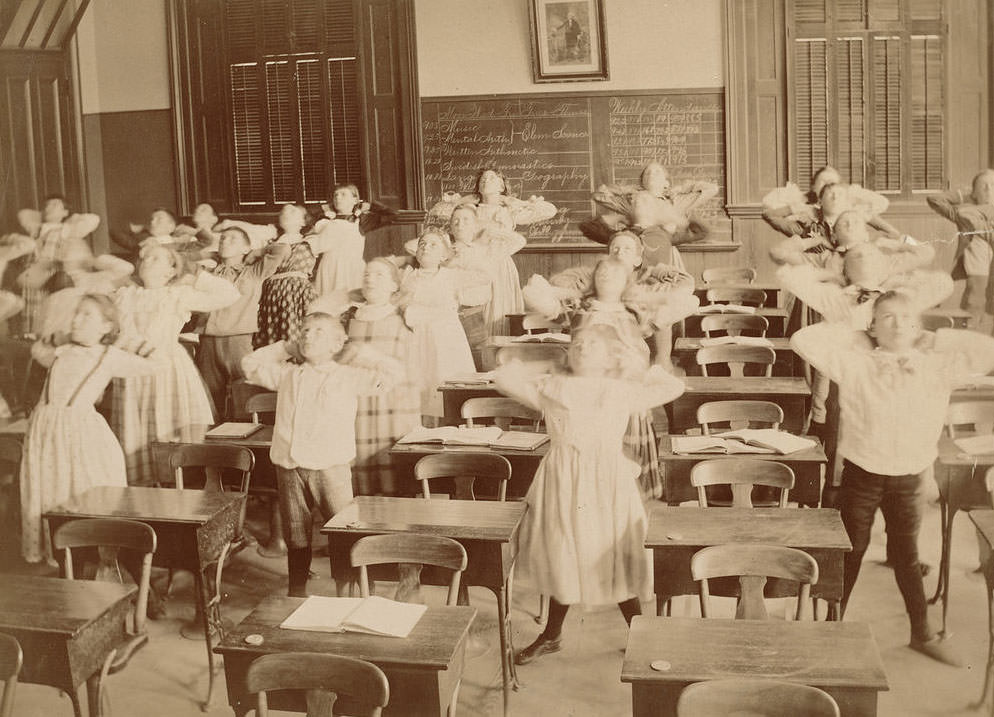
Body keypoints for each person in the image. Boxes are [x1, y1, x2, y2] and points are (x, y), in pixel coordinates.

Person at [791, 292, 994, 666]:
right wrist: (856, 334)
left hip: (910, 477)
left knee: (907, 555)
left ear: (919, 326)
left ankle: (923, 633)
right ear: (872, 326)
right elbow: (803, 340)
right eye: (887, 318)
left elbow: (987, 350)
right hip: (862, 475)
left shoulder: (937, 365)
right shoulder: (854, 362)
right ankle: (831, 630)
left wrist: (937, 339)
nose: (898, 324)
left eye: (907, 317)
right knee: (850, 552)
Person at [494, 323, 685, 664]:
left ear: (611, 357)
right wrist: (545, 363)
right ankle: (552, 635)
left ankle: (641, 634)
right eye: (578, 343)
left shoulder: (620, 388)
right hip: (563, 479)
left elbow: (673, 385)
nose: (583, 347)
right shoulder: (553, 386)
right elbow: (504, 378)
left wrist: (635, 365)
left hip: (607, 482)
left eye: (594, 345)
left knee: (611, 555)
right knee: (563, 554)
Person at [241, 312, 403, 596]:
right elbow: (249, 364)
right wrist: (285, 348)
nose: (307, 336)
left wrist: (360, 353)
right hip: (290, 465)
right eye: (303, 331)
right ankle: (297, 588)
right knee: (296, 532)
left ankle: (349, 589)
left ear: (337, 343)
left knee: (343, 528)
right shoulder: (288, 374)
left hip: (331, 465)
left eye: (318, 331)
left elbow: (394, 374)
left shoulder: (349, 376)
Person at [19, 294, 154, 564]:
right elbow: (37, 350)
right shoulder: (63, 350)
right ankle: (64, 560)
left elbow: (155, 362)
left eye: (87, 315)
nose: (77, 319)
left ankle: (97, 559)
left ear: (106, 325)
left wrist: (127, 338)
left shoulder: (109, 356)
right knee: (50, 494)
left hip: (80, 437)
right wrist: (57, 338)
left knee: (83, 495)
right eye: (76, 313)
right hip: (44, 432)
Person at [112, 245, 239, 485]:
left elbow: (229, 294)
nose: (147, 260)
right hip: (131, 371)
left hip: (166, 369)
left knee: (168, 426)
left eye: (156, 257)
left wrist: (196, 275)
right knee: (135, 433)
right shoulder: (124, 294)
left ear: (171, 271)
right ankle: (147, 494)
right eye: (145, 256)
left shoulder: (177, 294)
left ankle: (178, 484)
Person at [342, 258, 422, 496]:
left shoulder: (407, 315)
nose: (370, 279)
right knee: (361, 457)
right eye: (366, 274)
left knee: (396, 460)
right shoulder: (349, 317)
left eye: (379, 275)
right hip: (359, 401)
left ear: (394, 285)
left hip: (397, 403)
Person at [196, 226, 289, 417]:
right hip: (208, 341)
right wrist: (213, 253)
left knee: (244, 392)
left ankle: (246, 436)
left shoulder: (254, 271)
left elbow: (283, 249)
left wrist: (259, 251)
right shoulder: (208, 272)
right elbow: (183, 259)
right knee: (208, 395)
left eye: (232, 239)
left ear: (246, 248)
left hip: (239, 339)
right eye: (222, 238)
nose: (224, 241)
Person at [397, 230, 489, 418]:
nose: (425, 248)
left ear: (443, 255)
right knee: (422, 383)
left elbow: (485, 276)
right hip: (417, 338)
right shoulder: (407, 277)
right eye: (422, 244)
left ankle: (453, 422)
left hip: (446, 339)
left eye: (433, 245)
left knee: (446, 379)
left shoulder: (451, 275)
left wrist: (463, 257)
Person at [7, 195, 99, 335]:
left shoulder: (65, 231)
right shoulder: (35, 231)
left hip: (48, 279)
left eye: (56, 205)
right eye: (47, 205)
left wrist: (70, 221)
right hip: (28, 280)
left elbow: (92, 220)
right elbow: (24, 215)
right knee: (26, 321)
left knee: (45, 319)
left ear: (65, 212)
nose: (49, 208)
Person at [927, 169, 994, 334]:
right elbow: (934, 199)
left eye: (993, 185)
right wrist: (962, 196)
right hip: (977, 269)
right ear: (974, 193)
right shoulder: (965, 213)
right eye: (982, 186)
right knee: (973, 307)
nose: (989, 189)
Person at [446, 204, 527, 336]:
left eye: (466, 220)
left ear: (475, 226)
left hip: (472, 315)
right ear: (450, 227)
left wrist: (493, 231)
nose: (460, 224)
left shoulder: (486, 250)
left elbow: (519, 241)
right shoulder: (442, 250)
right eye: (455, 220)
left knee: (477, 353)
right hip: (446, 315)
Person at [308, 184, 395, 296]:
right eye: (336, 195)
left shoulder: (361, 220)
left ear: (355, 200)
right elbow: (304, 218)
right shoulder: (325, 219)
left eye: (343, 194)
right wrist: (325, 207)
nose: (338, 198)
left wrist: (370, 206)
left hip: (351, 268)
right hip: (329, 268)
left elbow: (392, 215)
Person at [253, 203, 318, 349]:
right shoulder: (268, 243)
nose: (286, 212)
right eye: (283, 211)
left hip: (296, 295)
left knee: (295, 336)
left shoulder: (312, 240)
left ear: (303, 221)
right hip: (271, 295)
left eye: (293, 211)